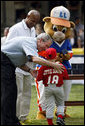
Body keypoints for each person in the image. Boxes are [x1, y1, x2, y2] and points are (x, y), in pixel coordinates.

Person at [1, 33, 65, 125]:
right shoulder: (30, 42)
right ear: (40, 40)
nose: (46, 49)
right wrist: (53, 65)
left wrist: (30, 70)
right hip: (3, 63)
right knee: (8, 93)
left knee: (11, 93)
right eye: (46, 46)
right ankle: (7, 122)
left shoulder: (31, 44)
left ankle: (11, 120)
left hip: (7, 64)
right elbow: (34, 59)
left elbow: (17, 62)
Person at [6, 10, 40, 122]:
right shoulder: (15, 28)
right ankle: (16, 117)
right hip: (17, 66)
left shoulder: (33, 29)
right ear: (27, 16)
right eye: (32, 20)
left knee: (27, 93)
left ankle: (23, 117)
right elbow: (8, 46)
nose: (34, 23)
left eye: (36, 22)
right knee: (18, 93)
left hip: (29, 67)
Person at [37, 48, 69, 125]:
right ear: (55, 57)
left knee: (49, 106)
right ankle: (60, 117)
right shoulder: (60, 65)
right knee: (60, 104)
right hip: (58, 87)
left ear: (45, 57)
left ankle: (50, 123)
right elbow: (66, 77)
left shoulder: (43, 67)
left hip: (48, 88)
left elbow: (38, 79)